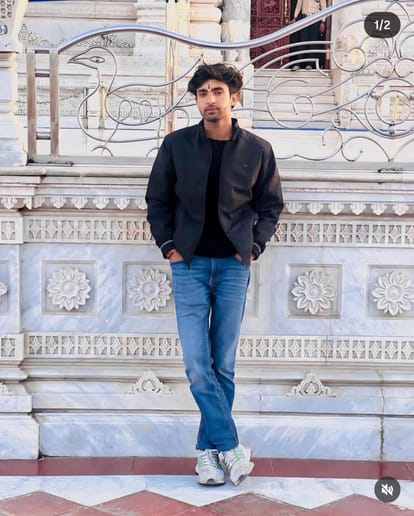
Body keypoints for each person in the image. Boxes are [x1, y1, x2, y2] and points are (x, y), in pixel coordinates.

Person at [145, 63, 284, 486]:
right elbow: (157, 200)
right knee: (196, 365)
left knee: (223, 364)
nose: (210, 99)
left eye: (218, 91)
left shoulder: (257, 149)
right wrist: (168, 246)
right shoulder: (176, 145)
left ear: (234, 98)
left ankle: (207, 455)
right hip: (187, 265)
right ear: (196, 100)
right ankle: (231, 447)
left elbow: (270, 205)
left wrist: (254, 246)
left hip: (232, 266)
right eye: (202, 93)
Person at [291, 0, 327, 70]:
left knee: (313, 41)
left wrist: (323, 21)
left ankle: (310, 64)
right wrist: (295, 17)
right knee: (302, 41)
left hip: (315, 18)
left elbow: (324, 8)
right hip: (305, 18)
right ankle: (298, 64)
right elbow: (299, 5)